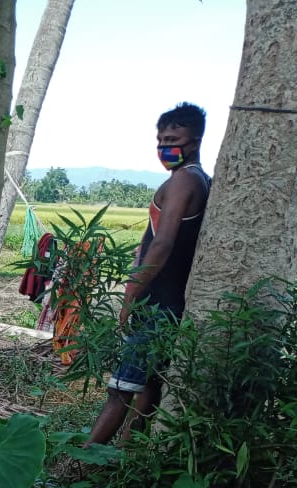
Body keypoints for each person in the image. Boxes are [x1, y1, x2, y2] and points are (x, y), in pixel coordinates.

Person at [87, 103, 211, 445]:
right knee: (148, 389)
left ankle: (84, 461)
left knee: (120, 391)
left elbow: (162, 244)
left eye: (173, 139)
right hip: (172, 301)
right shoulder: (200, 180)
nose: (164, 148)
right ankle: (124, 459)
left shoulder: (183, 181)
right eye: (159, 140)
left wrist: (130, 295)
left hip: (156, 302)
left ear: (196, 140)